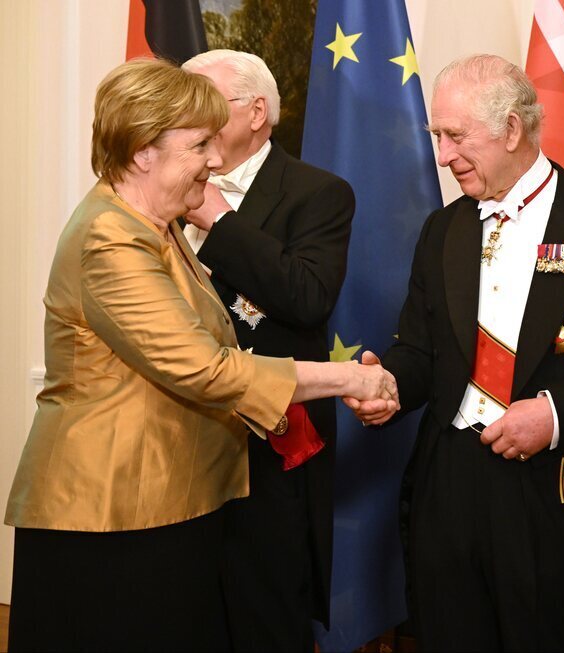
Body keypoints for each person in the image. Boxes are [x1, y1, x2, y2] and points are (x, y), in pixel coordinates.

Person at [3, 58, 395, 653]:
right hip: (110, 512)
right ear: (142, 153)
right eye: (199, 145)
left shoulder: (151, 225)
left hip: (164, 503)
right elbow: (206, 368)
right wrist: (349, 379)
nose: (215, 161)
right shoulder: (113, 237)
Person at [349, 54, 564, 652]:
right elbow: (421, 352)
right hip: (449, 485)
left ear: (511, 129)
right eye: (438, 137)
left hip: (555, 488)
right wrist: (391, 384)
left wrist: (554, 416)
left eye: (456, 137)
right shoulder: (442, 230)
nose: (444, 156)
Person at [180, 49, 354, 652]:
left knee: (265, 618)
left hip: (268, 444)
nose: (187, 114)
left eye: (204, 100)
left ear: (257, 112)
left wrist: (220, 221)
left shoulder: (318, 193)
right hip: (176, 440)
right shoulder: (164, 186)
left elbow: (307, 299)